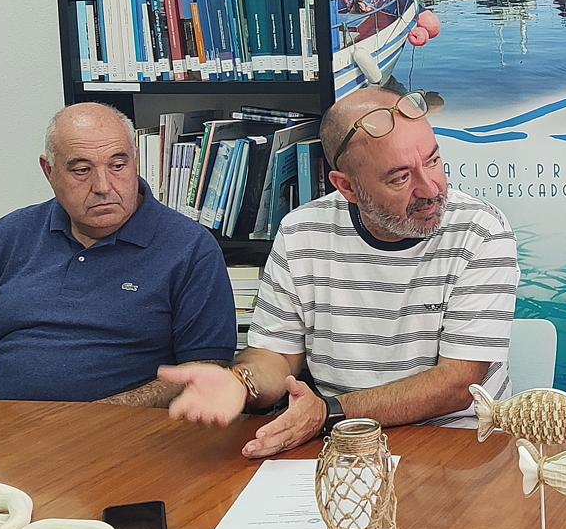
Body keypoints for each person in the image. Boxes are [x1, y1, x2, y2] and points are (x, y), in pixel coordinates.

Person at [162, 88, 520, 458]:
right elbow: (276, 357)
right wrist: (241, 382)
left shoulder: (480, 230)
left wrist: (329, 412)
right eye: (400, 178)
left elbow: (458, 384)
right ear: (347, 187)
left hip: (460, 448)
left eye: (432, 161)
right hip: (342, 445)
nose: (431, 189)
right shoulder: (300, 232)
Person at [0, 103, 237, 404]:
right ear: (49, 171)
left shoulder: (189, 248)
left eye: (118, 165)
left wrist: (100, 417)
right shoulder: (14, 234)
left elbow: (205, 369)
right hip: (6, 435)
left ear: (136, 161)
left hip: (121, 434)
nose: (103, 186)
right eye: (81, 170)